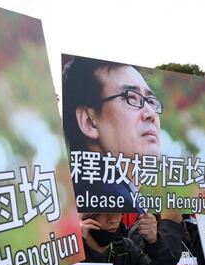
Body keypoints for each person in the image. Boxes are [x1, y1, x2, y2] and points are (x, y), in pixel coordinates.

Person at [62, 56, 163, 213]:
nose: (150, 113)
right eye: (131, 98)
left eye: (150, 101)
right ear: (88, 121)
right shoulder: (113, 201)